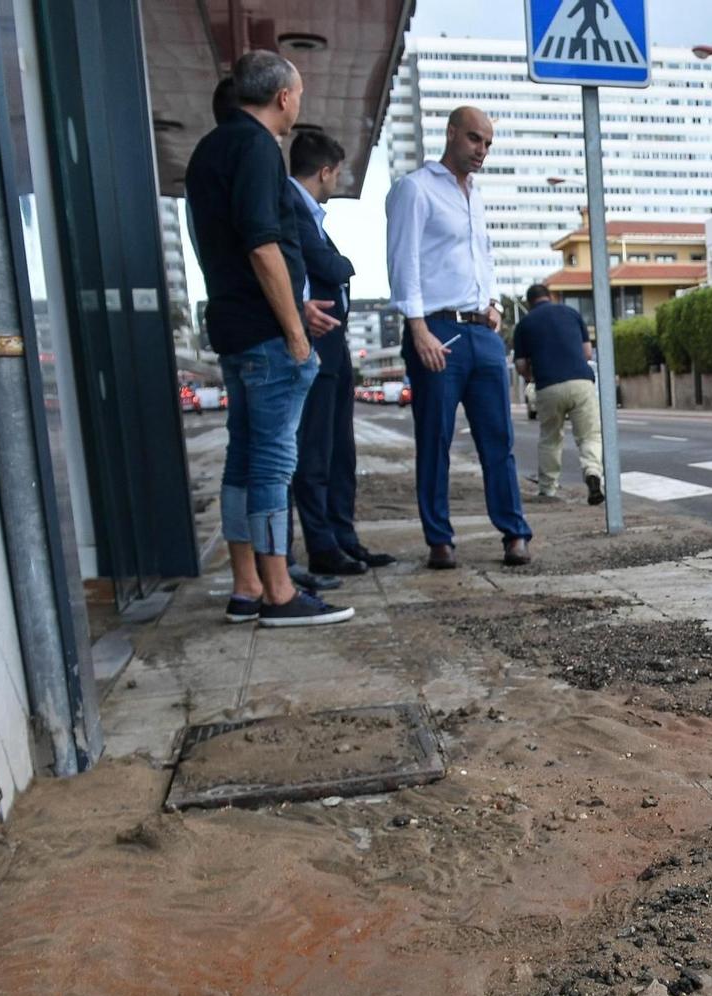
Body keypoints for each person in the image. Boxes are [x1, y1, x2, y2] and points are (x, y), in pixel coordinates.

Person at [185, 50, 351, 628]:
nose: (298, 104)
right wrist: (294, 330)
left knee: (244, 460)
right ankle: (279, 593)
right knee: (275, 463)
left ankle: (246, 586)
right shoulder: (257, 148)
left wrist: (294, 302)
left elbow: (237, 250)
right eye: (298, 95)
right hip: (264, 336)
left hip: (234, 326)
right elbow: (261, 244)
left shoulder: (211, 149)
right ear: (283, 97)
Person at [386, 105, 532, 570]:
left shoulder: (477, 196)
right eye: (474, 139)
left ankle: (514, 533)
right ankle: (439, 540)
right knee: (435, 439)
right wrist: (418, 327)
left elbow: (481, 257)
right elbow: (402, 260)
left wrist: (493, 305)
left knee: (498, 439)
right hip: (436, 329)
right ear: (451, 134)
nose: (481, 151)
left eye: (487, 143)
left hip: (481, 331)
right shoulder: (415, 189)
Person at [286, 130, 392, 577]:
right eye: (338, 173)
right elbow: (330, 267)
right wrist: (343, 266)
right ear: (326, 171)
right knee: (315, 454)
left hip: (332, 346)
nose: (339, 180)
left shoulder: (310, 213)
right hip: (313, 346)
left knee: (339, 452)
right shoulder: (290, 207)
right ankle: (324, 546)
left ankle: (344, 539)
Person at [512, 284, 604, 505]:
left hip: (548, 386)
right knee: (589, 435)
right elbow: (587, 352)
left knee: (550, 439)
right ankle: (592, 473)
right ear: (550, 297)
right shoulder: (571, 313)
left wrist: (530, 376)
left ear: (529, 302)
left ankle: (548, 489)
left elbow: (521, 364)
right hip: (581, 382)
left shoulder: (524, 323)